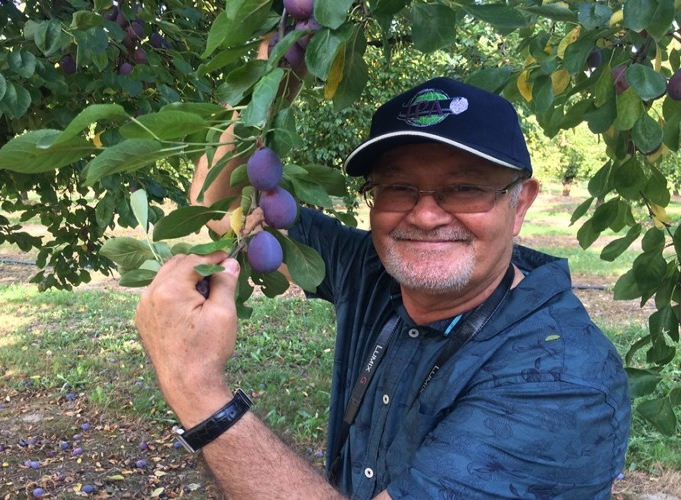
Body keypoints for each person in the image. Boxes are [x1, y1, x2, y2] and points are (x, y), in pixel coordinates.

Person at [135, 77, 631, 499]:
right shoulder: (375, 270)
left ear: (520, 202)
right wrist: (264, 86)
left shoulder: (562, 382)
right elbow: (220, 203)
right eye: (398, 187)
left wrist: (194, 385)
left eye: (465, 187)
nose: (426, 214)